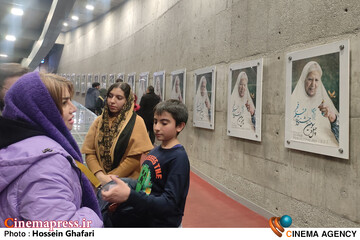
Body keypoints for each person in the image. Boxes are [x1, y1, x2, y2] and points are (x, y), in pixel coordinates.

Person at [0, 72, 102, 227]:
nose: (73, 108)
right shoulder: (47, 165)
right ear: (41, 109)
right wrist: (91, 213)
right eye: (64, 102)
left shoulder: (16, 145)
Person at [101, 99, 190, 227]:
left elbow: (170, 205)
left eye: (164, 123)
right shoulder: (155, 151)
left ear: (179, 126)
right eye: (155, 122)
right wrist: (123, 186)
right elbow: (145, 185)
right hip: (145, 217)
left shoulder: (178, 158)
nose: (157, 127)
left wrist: (130, 195)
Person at [81, 82, 153, 186]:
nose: (112, 101)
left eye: (119, 98)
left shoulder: (136, 122)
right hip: (99, 183)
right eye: (110, 96)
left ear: (127, 101)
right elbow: (90, 152)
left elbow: (134, 158)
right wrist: (100, 175)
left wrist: (110, 178)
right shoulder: (99, 121)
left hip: (125, 183)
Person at [291, 61, 339, 146]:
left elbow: (342, 138)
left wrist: (332, 118)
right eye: (310, 79)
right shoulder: (293, 102)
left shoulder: (325, 103)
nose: (313, 84)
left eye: (316, 80)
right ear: (304, 80)